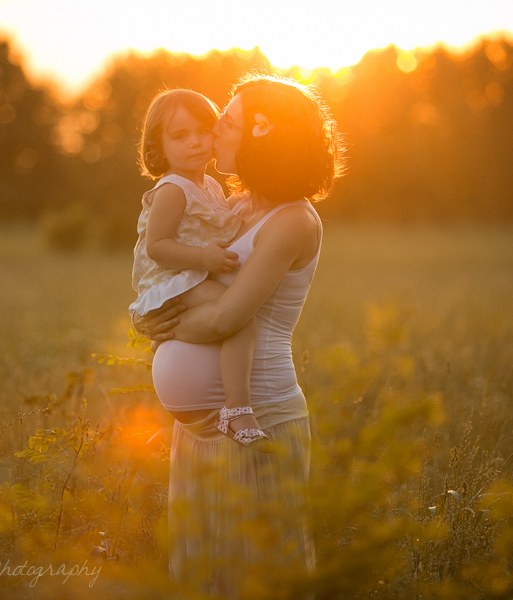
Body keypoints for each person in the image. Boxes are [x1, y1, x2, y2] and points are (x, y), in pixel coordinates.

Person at [135, 73, 345, 599]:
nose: (214, 134)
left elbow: (229, 318)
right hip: (203, 428)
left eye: (224, 123)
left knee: (258, 578)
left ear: (260, 136)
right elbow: (172, 260)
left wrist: (158, 323)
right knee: (208, 576)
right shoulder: (239, 203)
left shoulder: (294, 220)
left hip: (258, 418)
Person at [130, 88, 271, 450]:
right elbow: (156, 247)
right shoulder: (172, 189)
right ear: (159, 147)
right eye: (180, 136)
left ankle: (231, 403)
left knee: (233, 317)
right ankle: (237, 409)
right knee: (239, 318)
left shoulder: (208, 185)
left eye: (203, 130)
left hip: (188, 277)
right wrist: (203, 258)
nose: (195, 142)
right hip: (173, 280)